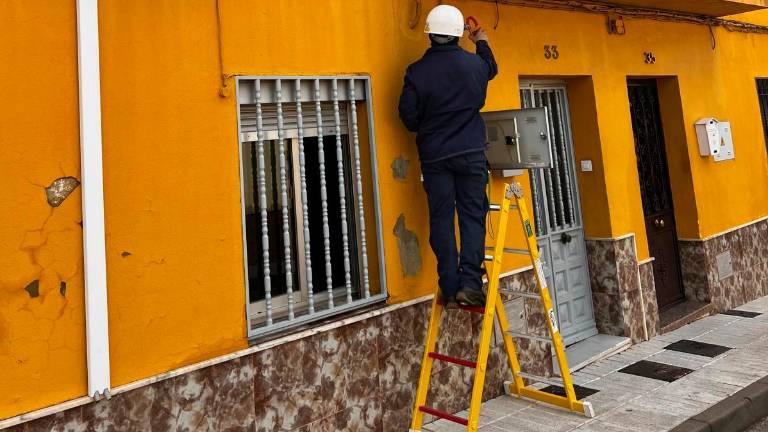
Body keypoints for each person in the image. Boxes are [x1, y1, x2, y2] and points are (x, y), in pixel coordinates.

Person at [398, 5, 498, 308]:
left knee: (441, 218)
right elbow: (490, 68)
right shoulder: (474, 66)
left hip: (435, 157)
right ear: (457, 34)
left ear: (430, 34)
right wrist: (480, 40)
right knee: (472, 214)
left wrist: (429, 125)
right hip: (470, 152)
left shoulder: (416, 72)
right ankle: (470, 282)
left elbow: (408, 117)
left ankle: (449, 284)